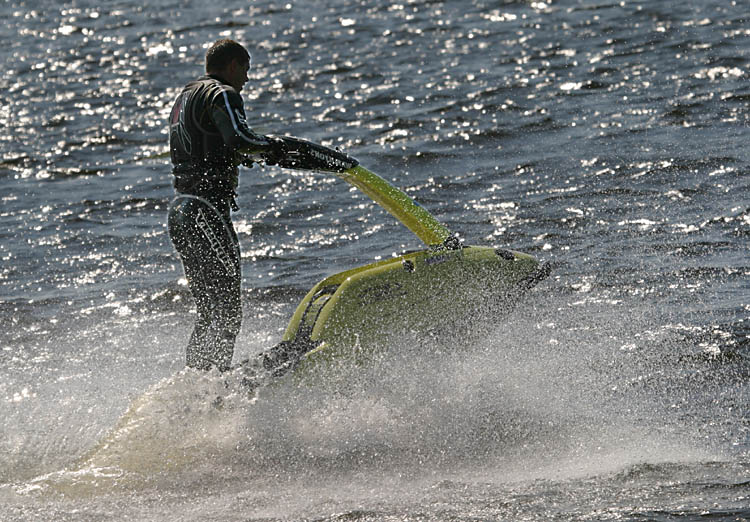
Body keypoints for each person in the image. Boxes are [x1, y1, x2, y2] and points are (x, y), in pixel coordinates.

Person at [167, 39, 286, 373]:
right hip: (208, 213)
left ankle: (196, 380)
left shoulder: (185, 95)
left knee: (209, 312)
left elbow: (208, 146)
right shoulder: (223, 93)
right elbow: (240, 139)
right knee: (228, 310)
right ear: (233, 65)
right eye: (245, 70)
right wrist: (274, 148)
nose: (246, 79)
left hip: (182, 212)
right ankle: (215, 382)